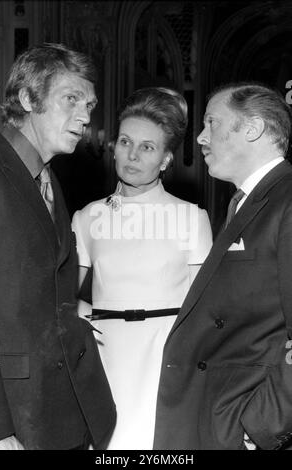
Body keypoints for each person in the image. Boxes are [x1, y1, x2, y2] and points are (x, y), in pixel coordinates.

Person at [153, 82, 292, 450]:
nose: (200, 137)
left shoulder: (287, 199)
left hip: (239, 421)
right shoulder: (246, 202)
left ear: (253, 128)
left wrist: (262, 425)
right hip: (216, 411)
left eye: (212, 122)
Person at [72, 87, 212, 450]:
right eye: (125, 142)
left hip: (165, 357)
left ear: (166, 159)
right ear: (113, 145)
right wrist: (81, 315)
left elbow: (206, 310)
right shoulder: (88, 217)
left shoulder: (191, 219)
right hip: (105, 356)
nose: (132, 156)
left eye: (147, 147)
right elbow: (60, 295)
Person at [0, 43, 115, 450]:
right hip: (15, 415)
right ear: (29, 98)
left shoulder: (47, 177)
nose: (85, 116)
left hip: (65, 406)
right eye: (71, 100)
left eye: (90, 104)